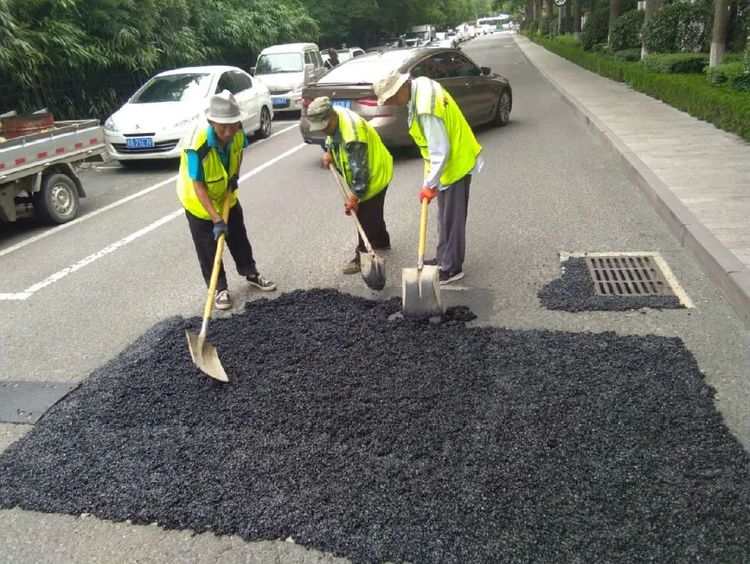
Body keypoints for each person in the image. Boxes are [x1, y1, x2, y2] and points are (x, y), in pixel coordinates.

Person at [373, 70, 483, 285]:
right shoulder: (420, 85)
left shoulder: (426, 109)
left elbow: (440, 150)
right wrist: (431, 181)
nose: (392, 103)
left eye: (392, 98)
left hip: (455, 164)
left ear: (402, 87)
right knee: (445, 217)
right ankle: (443, 258)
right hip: (446, 165)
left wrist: (429, 185)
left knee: (452, 220)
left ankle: (452, 268)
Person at [176, 90, 276, 310]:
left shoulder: (237, 133)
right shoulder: (197, 145)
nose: (229, 132)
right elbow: (198, 185)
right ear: (212, 121)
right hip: (198, 203)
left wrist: (235, 176)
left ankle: (250, 272)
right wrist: (216, 220)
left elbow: (238, 152)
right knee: (209, 247)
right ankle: (220, 288)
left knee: (238, 235)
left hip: (225, 195)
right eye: (223, 127)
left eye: (233, 125)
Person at [306, 96, 393, 274]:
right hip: (368, 170)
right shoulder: (335, 119)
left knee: (365, 213)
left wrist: (354, 198)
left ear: (332, 116)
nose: (323, 131)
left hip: (374, 173)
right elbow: (332, 138)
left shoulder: (352, 135)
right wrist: (330, 152)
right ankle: (382, 240)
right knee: (373, 212)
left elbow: (361, 177)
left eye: (325, 126)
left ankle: (361, 255)